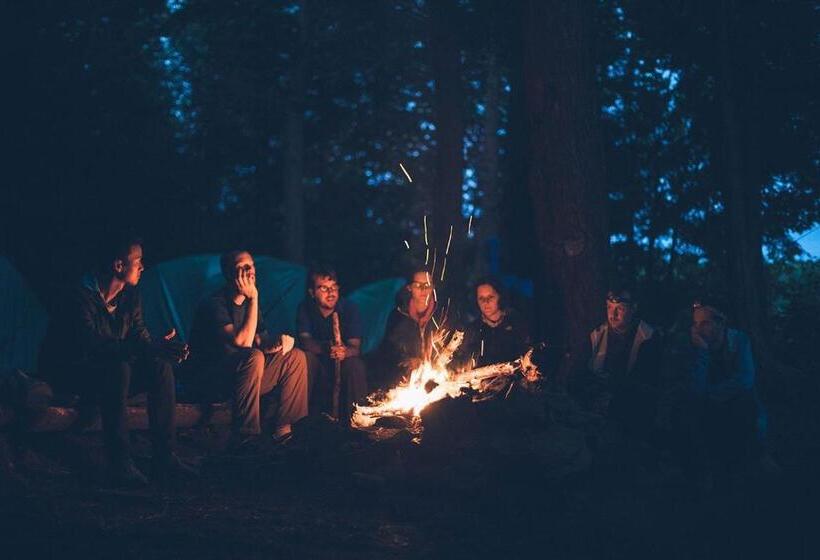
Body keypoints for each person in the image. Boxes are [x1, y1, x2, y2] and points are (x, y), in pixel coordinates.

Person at [39, 235, 193, 486]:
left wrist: (159, 348)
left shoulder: (130, 297)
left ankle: (165, 456)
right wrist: (144, 348)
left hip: (113, 375)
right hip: (75, 375)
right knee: (118, 369)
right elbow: (91, 346)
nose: (143, 267)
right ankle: (120, 462)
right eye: (138, 261)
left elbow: (139, 337)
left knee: (159, 366)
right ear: (119, 266)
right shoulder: (78, 297)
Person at [187, 250, 308, 447]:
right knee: (253, 356)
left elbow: (260, 339)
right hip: (214, 381)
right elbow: (242, 342)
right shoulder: (214, 304)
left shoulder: (250, 305)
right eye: (241, 268)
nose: (249, 271)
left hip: (245, 378)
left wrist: (280, 342)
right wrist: (253, 298)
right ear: (228, 274)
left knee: (295, 357)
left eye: (250, 266)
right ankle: (247, 436)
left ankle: (284, 431)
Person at [680, 295, 772, 483]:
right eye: (696, 323)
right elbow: (695, 389)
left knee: (745, 407)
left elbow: (745, 379)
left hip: (736, 401)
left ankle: (756, 460)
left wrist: (711, 394)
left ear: (720, 323)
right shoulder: (696, 346)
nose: (698, 328)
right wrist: (702, 353)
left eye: (704, 323)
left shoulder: (738, 340)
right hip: (707, 405)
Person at [577, 285, 662, 439]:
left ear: (633, 308)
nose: (613, 314)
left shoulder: (648, 338)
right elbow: (580, 371)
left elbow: (645, 383)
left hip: (630, 412)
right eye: (609, 307)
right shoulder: (597, 334)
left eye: (620, 309)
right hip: (594, 405)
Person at [296, 266, 367, 422]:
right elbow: (305, 341)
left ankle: (358, 421)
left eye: (334, 287)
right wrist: (326, 348)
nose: (331, 293)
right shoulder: (305, 308)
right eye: (324, 288)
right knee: (304, 359)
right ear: (312, 292)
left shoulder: (349, 308)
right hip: (319, 364)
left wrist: (343, 352)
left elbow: (355, 347)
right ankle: (302, 421)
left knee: (355, 365)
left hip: (343, 363)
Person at [372, 267, 438, 388]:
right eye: (418, 285)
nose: (423, 289)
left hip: (437, 376)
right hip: (406, 379)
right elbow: (389, 349)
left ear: (433, 287)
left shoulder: (442, 315)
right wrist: (407, 359)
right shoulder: (398, 316)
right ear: (409, 288)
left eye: (427, 285)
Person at [453, 277, 531, 371]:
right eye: (481, 298)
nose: (486, 302)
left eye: (490, 297)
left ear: (500, 297)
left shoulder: (516, 323)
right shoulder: (472, 330)